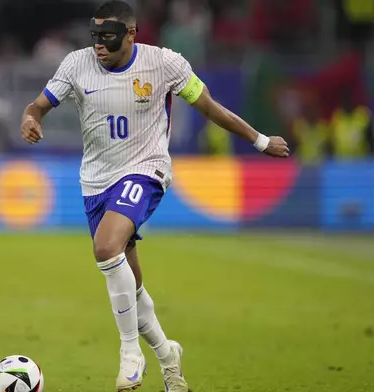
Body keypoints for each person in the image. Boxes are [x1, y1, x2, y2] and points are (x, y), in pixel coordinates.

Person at [20, 1, 289, 391]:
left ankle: (130, 353)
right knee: (132, 286)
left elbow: (211, 108)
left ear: (131, 34)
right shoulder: (76, 64)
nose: (99, 45)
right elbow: (38, 105)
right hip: (96, 183)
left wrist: (261, 140)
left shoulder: (166, 64)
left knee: (105, 247)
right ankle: (167, 357)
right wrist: (31, 117)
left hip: (146, 170)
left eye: (108, 37)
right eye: (94, 36)